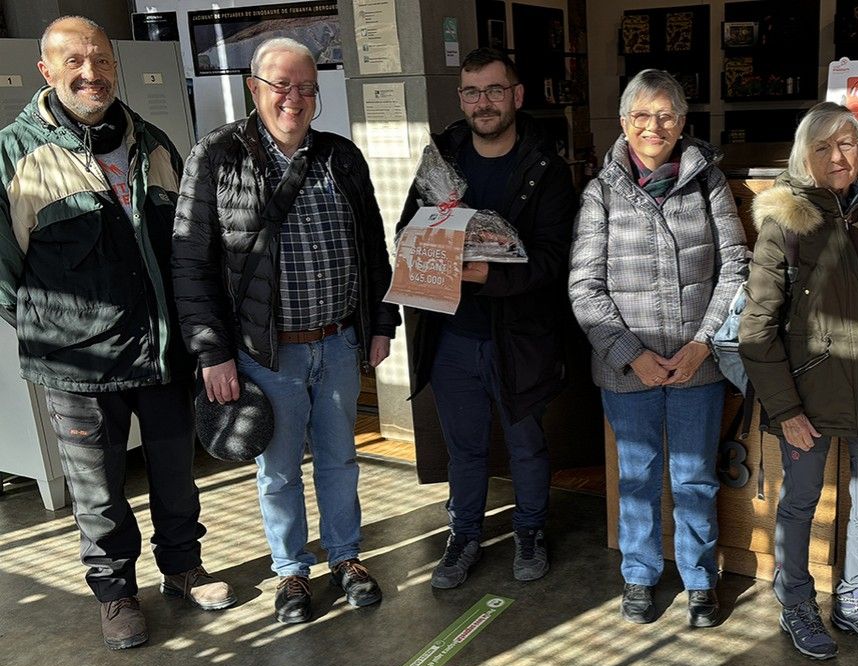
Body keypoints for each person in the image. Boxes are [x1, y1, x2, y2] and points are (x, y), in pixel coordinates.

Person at [0, 16, 234, 650]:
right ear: (45, 71)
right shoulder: (16, 152)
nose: (90, 73)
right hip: (75, 368)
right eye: (73, 61)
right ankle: (115, 593)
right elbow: (5, 272)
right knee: (97, 492)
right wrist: (55, 330)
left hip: (160, 351)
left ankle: (183, 568)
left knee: (176, 474)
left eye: (100, 60)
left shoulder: (153, 143)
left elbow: (188, 252)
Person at [172, 38, 398, 624]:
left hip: (339, 342)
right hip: (265, 353)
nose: (294, 98)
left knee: (339, 458)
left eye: (306, 88)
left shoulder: (341, 157)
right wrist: (211, 352)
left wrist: (379, 322)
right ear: (254, 88)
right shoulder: (216, 157)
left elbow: (372, 249)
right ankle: (291, 570)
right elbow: (190, 263)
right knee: (277, 469)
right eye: (280, 85)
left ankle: (346, 557)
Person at [738, 101, 858, 659]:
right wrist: (785, 410)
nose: (836, 156)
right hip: (805, 398)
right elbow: (757, 328)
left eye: (846, 143)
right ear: (805, 156)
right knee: (800, 503)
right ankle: (796, 602)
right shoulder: (786, 222)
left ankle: (855, 601)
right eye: (821, 147)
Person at [569, 69, 747, 627]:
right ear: (624, 123)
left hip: (698, 364)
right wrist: (630, 353)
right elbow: (584, 286)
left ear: (682, 122)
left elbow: (736, 269)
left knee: (695, 476)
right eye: (642, 116)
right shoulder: (600, 192)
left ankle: (700, 581)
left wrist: (702, 344)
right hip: (629, 370)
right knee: (638, 475)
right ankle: (640, 575)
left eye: (666, 115)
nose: (654, 126)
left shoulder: (707, 180)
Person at [396, 48, 576, 589]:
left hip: (519, 336)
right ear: (462, 99)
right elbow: (409, 230)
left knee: (526, 443)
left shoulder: (545, 168)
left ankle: (530, 531)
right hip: (452, 335)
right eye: (472, 92)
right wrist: (427, 255)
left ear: (517, 96)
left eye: (495, 91)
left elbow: (554, 258)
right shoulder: (443, 158)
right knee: (465, 448)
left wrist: (486, 276)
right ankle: (464, 536)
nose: (484, 103)